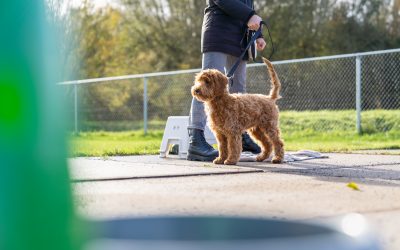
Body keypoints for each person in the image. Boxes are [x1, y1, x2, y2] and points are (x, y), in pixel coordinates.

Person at [187, 0, 267, 162]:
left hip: (241, 37)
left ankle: (241, 135)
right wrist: (250, 15)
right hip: (218, 31)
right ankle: (195, 139)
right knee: (205, 87)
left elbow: (247, 4)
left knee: (239, 87)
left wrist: (259, 33)